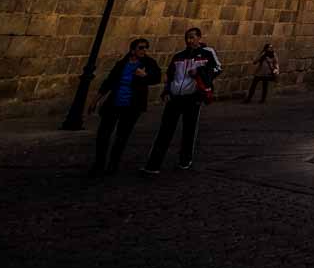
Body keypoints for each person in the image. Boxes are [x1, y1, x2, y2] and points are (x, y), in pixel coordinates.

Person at [142, 27, 221, 174]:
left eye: (192, 37)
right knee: (165, 130)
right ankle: (153, 164)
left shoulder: (207, 53)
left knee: (189, 130)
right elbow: (171, 76)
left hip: (192, 98)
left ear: (199, 38)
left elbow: (217, 69)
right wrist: (166, 91)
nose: (189, 40)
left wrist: (200, 72)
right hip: (175, 98)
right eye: (187, 38)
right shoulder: (178, 56)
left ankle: (185, 160)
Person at [89, 37, 160, 176]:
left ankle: (113, 164)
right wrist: (95, 100)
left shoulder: (148, 63)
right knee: (103, 134)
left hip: (132, 106)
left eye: (146, 47)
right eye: (141, 47)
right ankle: (99, 163)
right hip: (114, 103)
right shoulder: (122, 64)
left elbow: (156, 78)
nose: (144, 50)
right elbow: (109, 82)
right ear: (132, 50)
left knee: (121, 136)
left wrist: (145, 75)